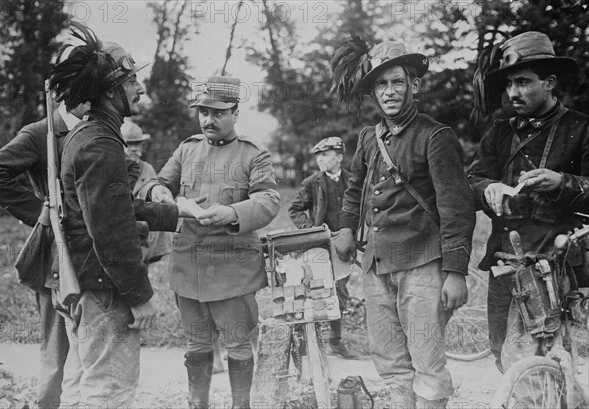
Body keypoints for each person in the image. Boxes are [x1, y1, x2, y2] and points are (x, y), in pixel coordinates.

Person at [46, 23, 200, 407]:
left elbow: (114, 208)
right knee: (109, 392)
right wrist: (140, 296)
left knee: (82, 388)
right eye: (131, 82)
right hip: (103, 289)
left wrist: (177, 214)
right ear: (111, 91)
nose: (139, 89)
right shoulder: (102, 144)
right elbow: (111, 231)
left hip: (82, 282)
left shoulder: (88, 136)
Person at [331, 39, 476, 409]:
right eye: (381, 84)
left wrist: (456, 271)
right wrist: (347, 229)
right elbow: (353, 190)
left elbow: (457, 209)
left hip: (422, 264)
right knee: (391, 362)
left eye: (397, 82)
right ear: (373, 93)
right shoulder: (368, 137)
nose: (390, 92)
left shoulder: (436, 136)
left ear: (414, 85)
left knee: (427, 362)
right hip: (376, 265)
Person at [141, 75, 280, 409]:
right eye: (203, 111)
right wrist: (159, 192)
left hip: (233, 270)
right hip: (189, 269)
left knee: (237, 344)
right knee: (196, 344)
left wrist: (232, 212)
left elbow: (269, 200)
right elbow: (155, 183)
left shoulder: (252, 155)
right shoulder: (187, 149)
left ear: (235, 112)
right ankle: (198, 403)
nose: (208, 119)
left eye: (217, 113)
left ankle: (240, 405)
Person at [467, 31, 589, 372]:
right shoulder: (500, 132)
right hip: (505, 261)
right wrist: (488, 187)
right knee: (502, 353)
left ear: (549, 83)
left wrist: (561, 182)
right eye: (509, 85)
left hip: (559, 265)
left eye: (523, 82)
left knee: (555, 357)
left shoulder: (581, 129)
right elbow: (471, 181)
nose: (513, 92)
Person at [0, 100, 89, 409]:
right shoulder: (39, 133)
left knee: (92, 346)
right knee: (56, 348)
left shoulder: (94, 128)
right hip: (56, 254)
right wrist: (41, 214)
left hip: (92, 250)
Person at [288, 136, 356, 359]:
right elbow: (295, 209)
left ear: (339, 157)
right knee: (316, 290)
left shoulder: (353, 181)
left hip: (344, 247)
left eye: (325, 155)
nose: (320, 160)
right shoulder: (313, 182)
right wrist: (312, 230)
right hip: (319, 246)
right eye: (317, 155)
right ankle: (310, 342)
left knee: (340, 292)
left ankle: (335, 342)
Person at [121, 119, 172, 264]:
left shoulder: (147, 169)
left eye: (137, 144)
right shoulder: (114, 169)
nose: (134, 149)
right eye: (128, 144)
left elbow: (153, 199)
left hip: (142, 231)